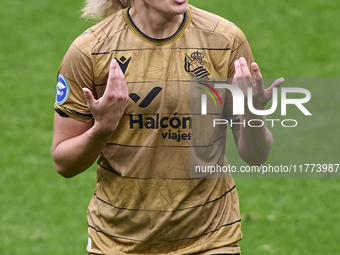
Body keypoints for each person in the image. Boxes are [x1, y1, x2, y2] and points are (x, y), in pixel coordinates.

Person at [52, 0, 284, 254]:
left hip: (211, 238)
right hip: (119, 242)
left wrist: (252, 114)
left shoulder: (224, 39)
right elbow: (64, 163)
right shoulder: (90, 51)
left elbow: (256, 156)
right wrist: (102, 128)